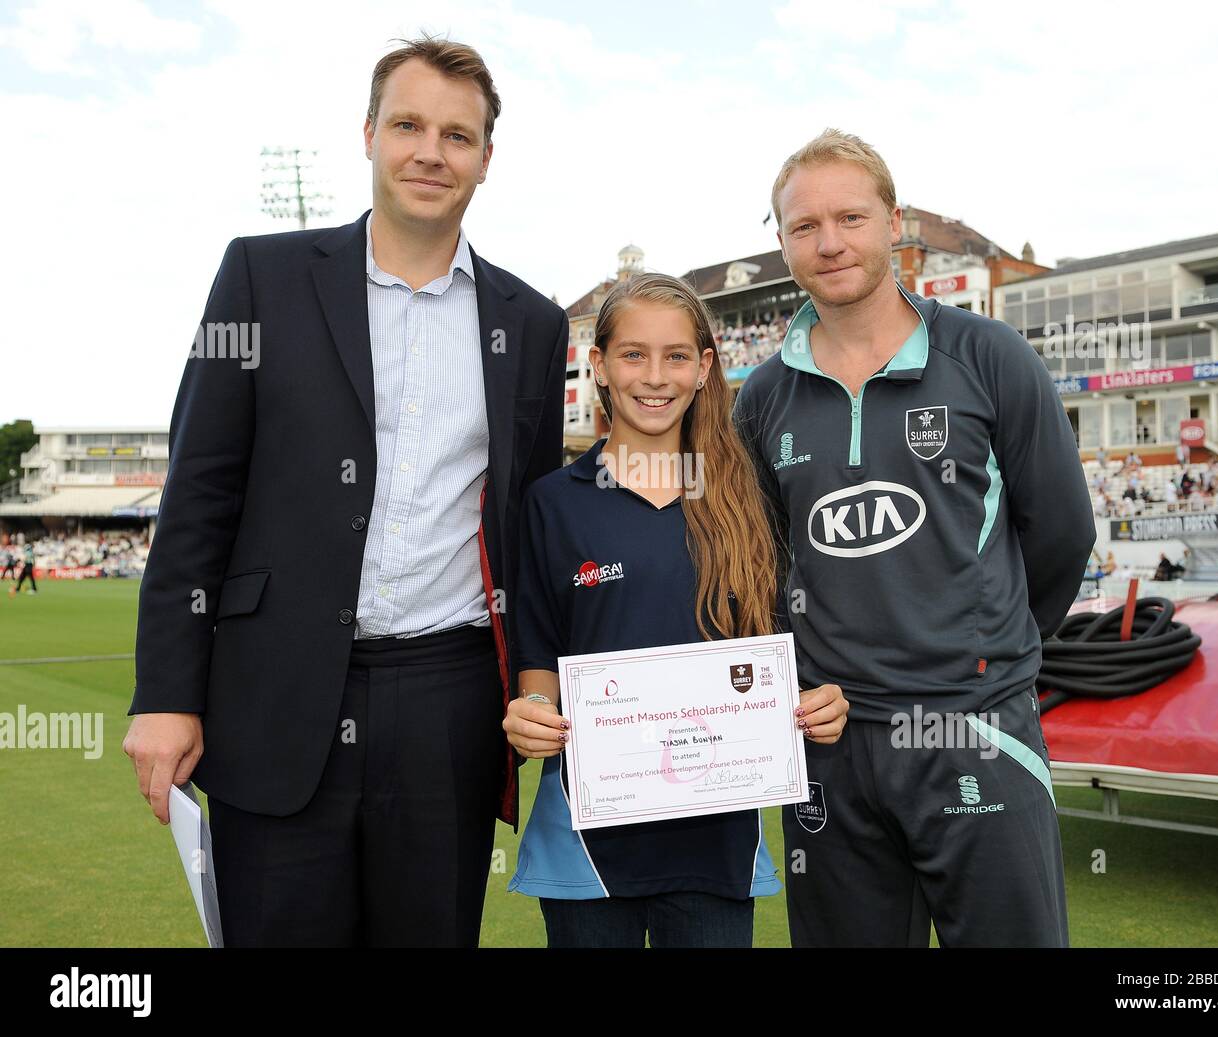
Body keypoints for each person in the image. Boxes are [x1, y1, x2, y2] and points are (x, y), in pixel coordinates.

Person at [123, 35, 569, 947]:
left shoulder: (529, 321)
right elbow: (197, 494)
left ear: (487, 157)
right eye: (408, 124)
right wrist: (164, 693)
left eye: (457, 134)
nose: (430, 152)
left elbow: (530, 526)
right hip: (275, 693)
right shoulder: (260, 275)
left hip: (447, 702)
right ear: (368, 133)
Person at [733, 129, 1093, 948]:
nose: (830, 243)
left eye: (851, 217)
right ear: (782, 240)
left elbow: (1063, 534)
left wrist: (985, 652)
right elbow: (759, 564)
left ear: (893, 221)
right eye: (803, 226)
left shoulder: (987, 354)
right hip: (830, 746)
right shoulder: (760, 397)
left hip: (974, 729)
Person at [503, 273, 849, 947]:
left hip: (715, 843)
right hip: (587, 841)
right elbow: (538, 655)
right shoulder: (553, 501)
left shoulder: (748, 494)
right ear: (598, 365)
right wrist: (534, 714)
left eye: (676, 356)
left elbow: (780, 649)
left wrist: (817, 702)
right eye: (633, 354)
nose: (654, 376)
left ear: (704, 367)